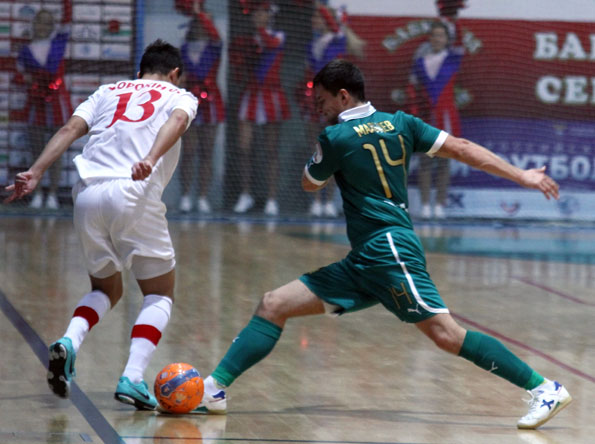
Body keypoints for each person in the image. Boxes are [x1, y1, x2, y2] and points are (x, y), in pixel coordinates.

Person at [194, 59, 571, 430]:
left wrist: (324, 158)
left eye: (322, 100)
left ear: (343, 96)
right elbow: (461, 147)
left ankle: (544, 389)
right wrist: (521, 175)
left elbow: (310, 183)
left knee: (446, 334)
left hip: (388, 250)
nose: (318, 108)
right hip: (366, 258)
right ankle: (214, 389)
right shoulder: (402, 123)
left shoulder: (336, 137)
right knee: (274, 304)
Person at [4, 40, 198, 410]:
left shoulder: (107, 91)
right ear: (174, 73)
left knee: (106, 288)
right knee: (159, 293)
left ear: (139, 72)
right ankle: (133, 378)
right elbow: (176, 122)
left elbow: (69, 129)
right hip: (133, 192)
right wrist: (150, 158)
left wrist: (36, 171)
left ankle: (69, 341)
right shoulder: (181, 95)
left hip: (87, 196)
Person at [231, 0, 290, 216]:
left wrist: (260, 31)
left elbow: (271, 44)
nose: (257, 17)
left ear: (269, 15)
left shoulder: (279, 36)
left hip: (271, 96)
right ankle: (245, 194)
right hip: (251, 95)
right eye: (255, 14)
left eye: (262, 13)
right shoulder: (246, 40)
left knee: (271, 150)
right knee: (243, 147)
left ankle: (272, 198)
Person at [15, 0, 72, 209]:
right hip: (35, 105)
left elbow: (68, 19)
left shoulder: (59, 43)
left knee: (56, 151)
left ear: (53, 26)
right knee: (37, 152)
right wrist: (28, 80)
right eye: (40, 21)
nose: (43, 26)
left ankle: (53, 195)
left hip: (57, 105)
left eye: (48, 22)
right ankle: (37, 193)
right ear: (34, 24)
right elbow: (18, 75)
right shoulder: (25, 50)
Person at [408, 19, 464, 220]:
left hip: (446, 116)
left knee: (443, 162)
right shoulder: (419, 62)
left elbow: (461, 39)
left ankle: (440, 205)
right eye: (433, 35)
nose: (437, 39)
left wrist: (450, 16)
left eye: (441, 35)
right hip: (426, 116)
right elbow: (412, 90)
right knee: (425, 160)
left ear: (448, 39)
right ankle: (425, 205)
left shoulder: (453, 58)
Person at [177, 0, 225, 214]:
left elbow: (216, 36)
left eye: (204, 21)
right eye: (197, 21)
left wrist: (200, 13)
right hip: (189, 100)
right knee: (188, 151)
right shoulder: (183, 48)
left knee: (207, 151)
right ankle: (186, 195)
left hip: (211, 101)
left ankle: (203, 197)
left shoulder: (215, 46)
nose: (201, 24)